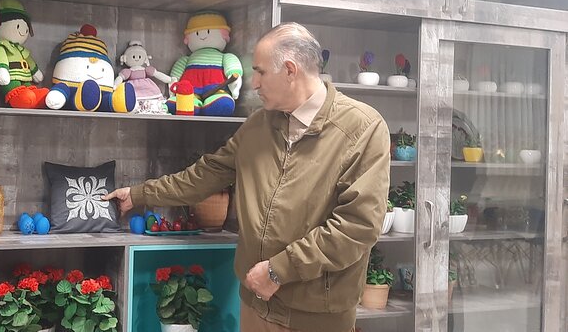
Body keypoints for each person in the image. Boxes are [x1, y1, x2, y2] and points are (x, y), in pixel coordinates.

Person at [104, 23, 390, 332]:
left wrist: (278, 271)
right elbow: (205, 174)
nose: (254, 83)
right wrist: (139, 194)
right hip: (255, 304)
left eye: (261, 72)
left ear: (290, 71)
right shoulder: (258, 125)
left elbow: (356, 228)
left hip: (316, 315)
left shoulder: (363, 128)